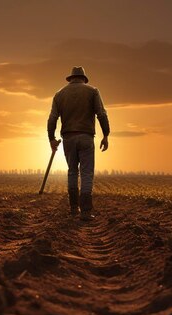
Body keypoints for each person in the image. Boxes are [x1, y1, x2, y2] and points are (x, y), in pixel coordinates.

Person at [47, 66, 110, 221]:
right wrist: (106, 134)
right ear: (83, 78)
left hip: (68, 138)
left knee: (72, 172)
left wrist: (52, 139)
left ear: (71, 78)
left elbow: (52, 119)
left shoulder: (59, 95)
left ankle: (74, 209)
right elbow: (101, 114)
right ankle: (86, 212)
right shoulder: (93, 91)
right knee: (87, 173)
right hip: (86, 137)